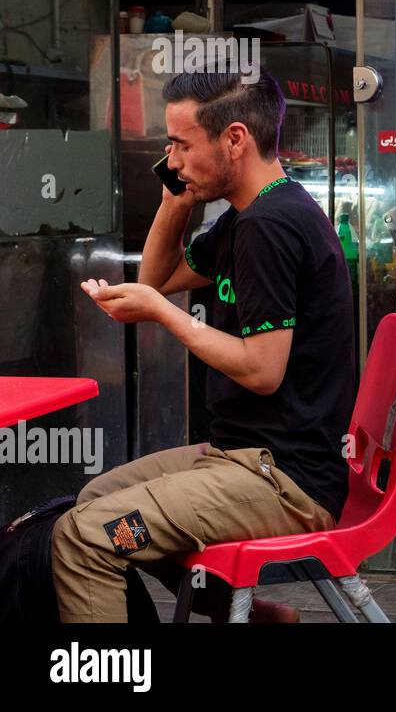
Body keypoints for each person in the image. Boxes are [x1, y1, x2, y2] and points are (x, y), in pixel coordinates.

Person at [51, 70, 357, 623]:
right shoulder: (246, 217)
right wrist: (177, 197)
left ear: (234, 139)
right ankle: (260, 619)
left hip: (282, 483)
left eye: (181, 145)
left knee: (89, 537)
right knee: (93, 501)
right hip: (239, 459)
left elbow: (263, 372)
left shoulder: (271, 227)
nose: (171, 159)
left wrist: (164, 316)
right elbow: (156, 277)